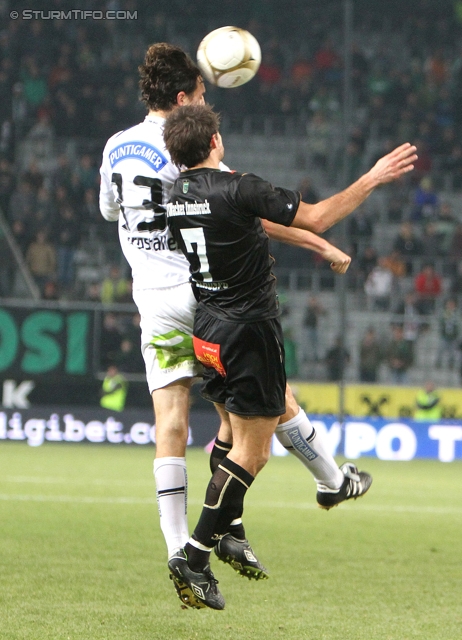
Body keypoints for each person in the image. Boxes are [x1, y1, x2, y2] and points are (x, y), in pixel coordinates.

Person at [99, 43, 369, 600]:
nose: (205, 104)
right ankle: (326, 483)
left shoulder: (116, 145)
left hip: (152, 301)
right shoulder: (187, 148)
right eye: (200, 95)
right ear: (182, 98)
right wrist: (319, 242)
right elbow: (244, 213)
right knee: (263, 407)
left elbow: (110, 210)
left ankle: (185, 545)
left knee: (173, 424)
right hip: (204, 298)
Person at [163, 103, 416, 609]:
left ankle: (275, 508)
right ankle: (193, 558)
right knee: (253, 452)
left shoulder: (176, 193)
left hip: (208, 325)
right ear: (214, 141)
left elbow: (254, 225)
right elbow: (318, 212)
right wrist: (371, 178)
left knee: (243, 428)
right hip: (248, 327)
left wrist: (314, 245)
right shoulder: (240, 187)